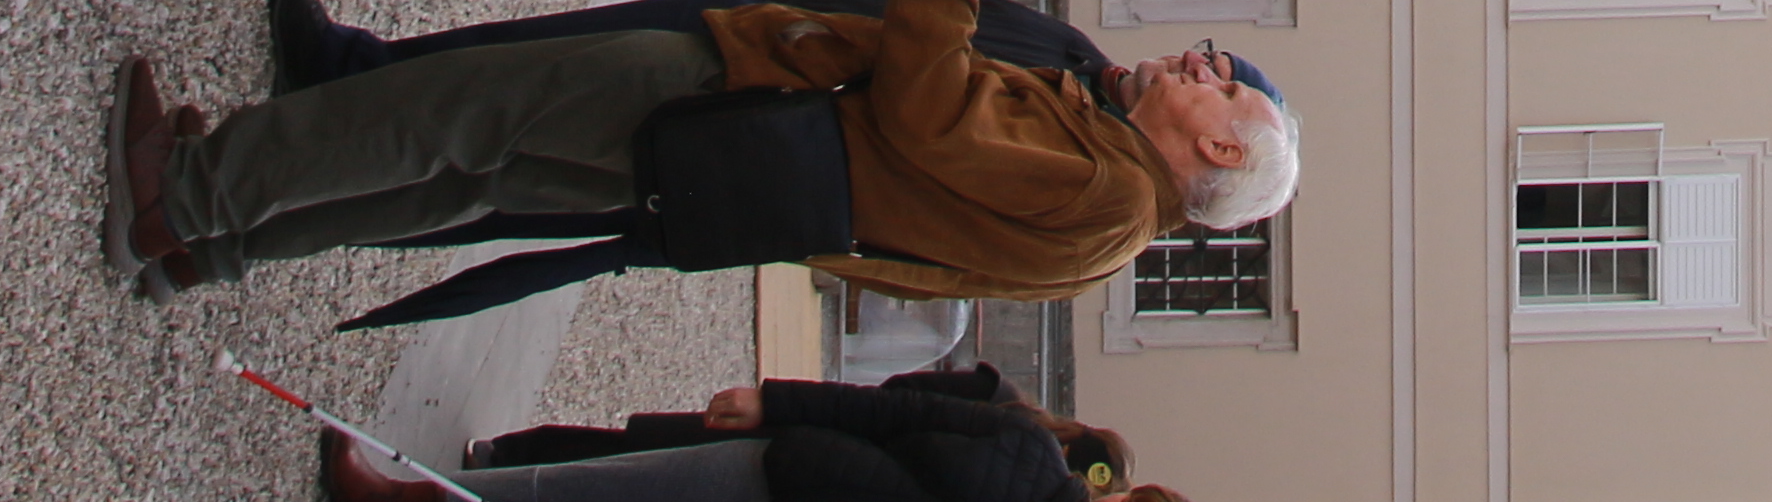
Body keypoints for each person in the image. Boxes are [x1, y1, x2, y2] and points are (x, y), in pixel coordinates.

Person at [110, 0, 1292, 307]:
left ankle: (191, 191)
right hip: (739, 150)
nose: (1198, 62)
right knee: (466, 177)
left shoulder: (1102, 199)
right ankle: (210, 244)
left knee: (460, 119)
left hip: (742, 108)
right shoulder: (1107, 196)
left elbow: (926, 115)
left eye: (1218, 84)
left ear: (1223, 155)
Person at [320, 375, 1153, 502]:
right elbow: (890, 412)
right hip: (785, 473)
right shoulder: (1029, 450)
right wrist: (775, 400)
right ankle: (407, 494)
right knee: (590, 488)